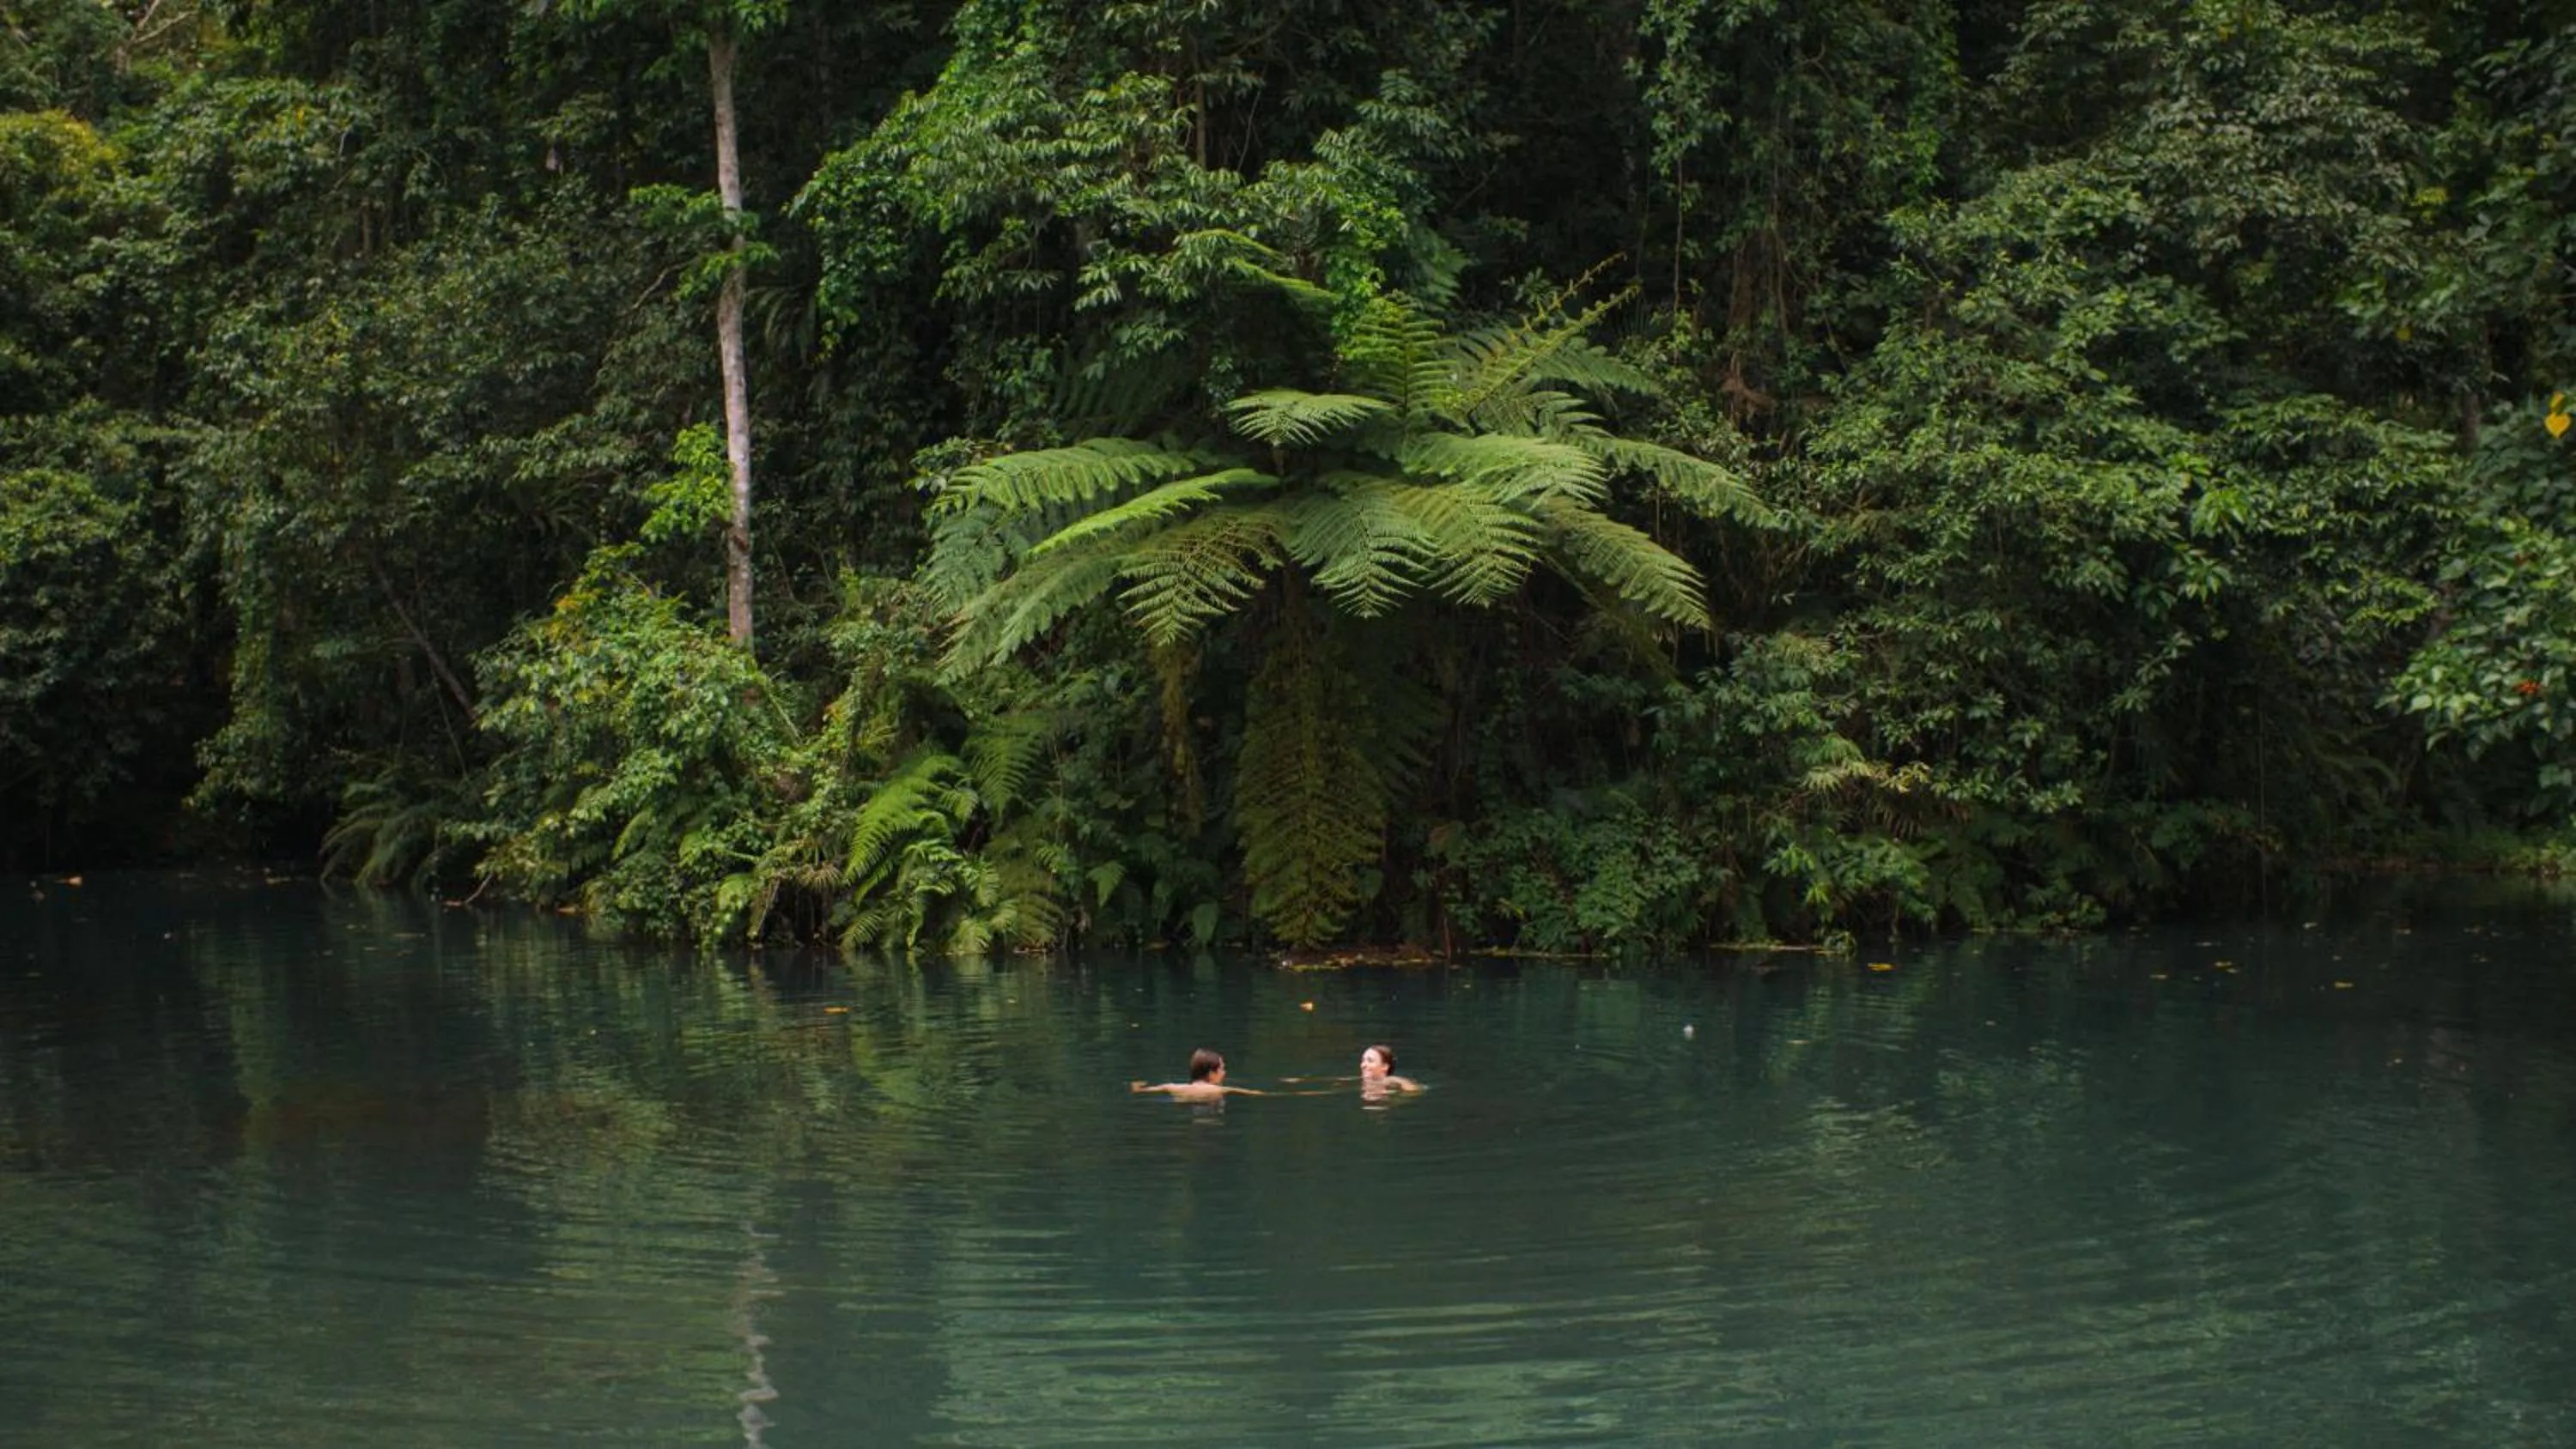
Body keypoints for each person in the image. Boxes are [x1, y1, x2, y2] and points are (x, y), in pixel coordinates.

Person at [1131, 1048, 1263, 1102]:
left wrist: (1137, 1087)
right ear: (1211, 1074)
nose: (1224, 1072)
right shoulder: (1221, 1090)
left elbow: (1139, 1090)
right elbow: (1255, 1093)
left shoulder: (1173, 1087)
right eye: (1222, 1069)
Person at [1358, 1043, 1422, 1095]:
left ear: (1385, 1067)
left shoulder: (1391, 1080)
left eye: (1370, 1061)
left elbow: (1413, 1090)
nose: (1363, 1065)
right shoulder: (1363, 1082)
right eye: (1363, 1060)